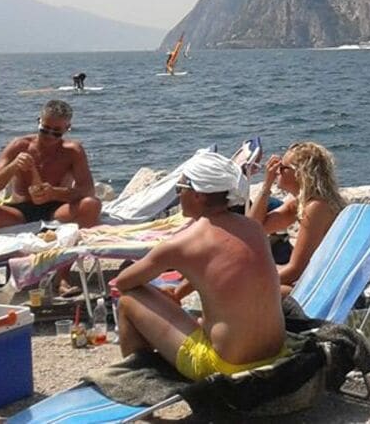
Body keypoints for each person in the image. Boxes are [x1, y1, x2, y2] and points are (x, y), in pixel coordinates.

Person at [115, 152, 286, 381]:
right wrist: (176, 292)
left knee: (128, 301)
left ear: (197, 195)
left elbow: (123, 283)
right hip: (276, 352)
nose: (178, 196)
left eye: (180, 188)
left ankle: (141, 385)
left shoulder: (184, 243)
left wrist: (159, 293)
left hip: (224, 365)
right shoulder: (253, 228)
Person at [0, 100, 102, 233]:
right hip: (20, 211)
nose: (50, 136)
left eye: (56, 132)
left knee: (92, 204)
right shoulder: (20, 145)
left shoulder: (73, 151)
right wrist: (13, 166)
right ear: (39, 121)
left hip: (57, 209)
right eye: (45, 129)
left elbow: (87, 191)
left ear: (67, 128)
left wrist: (54, 193)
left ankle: (76, 244)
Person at [248, 142, 345, 294]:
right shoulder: (301, 203)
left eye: (282, 167)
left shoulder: (317, 207)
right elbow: (253, 228)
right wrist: (266, 186)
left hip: (328, 288)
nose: (276, 171)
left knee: (253, 290)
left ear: (301, 173)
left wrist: (245, 284)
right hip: (316, 278)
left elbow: (296, 270)